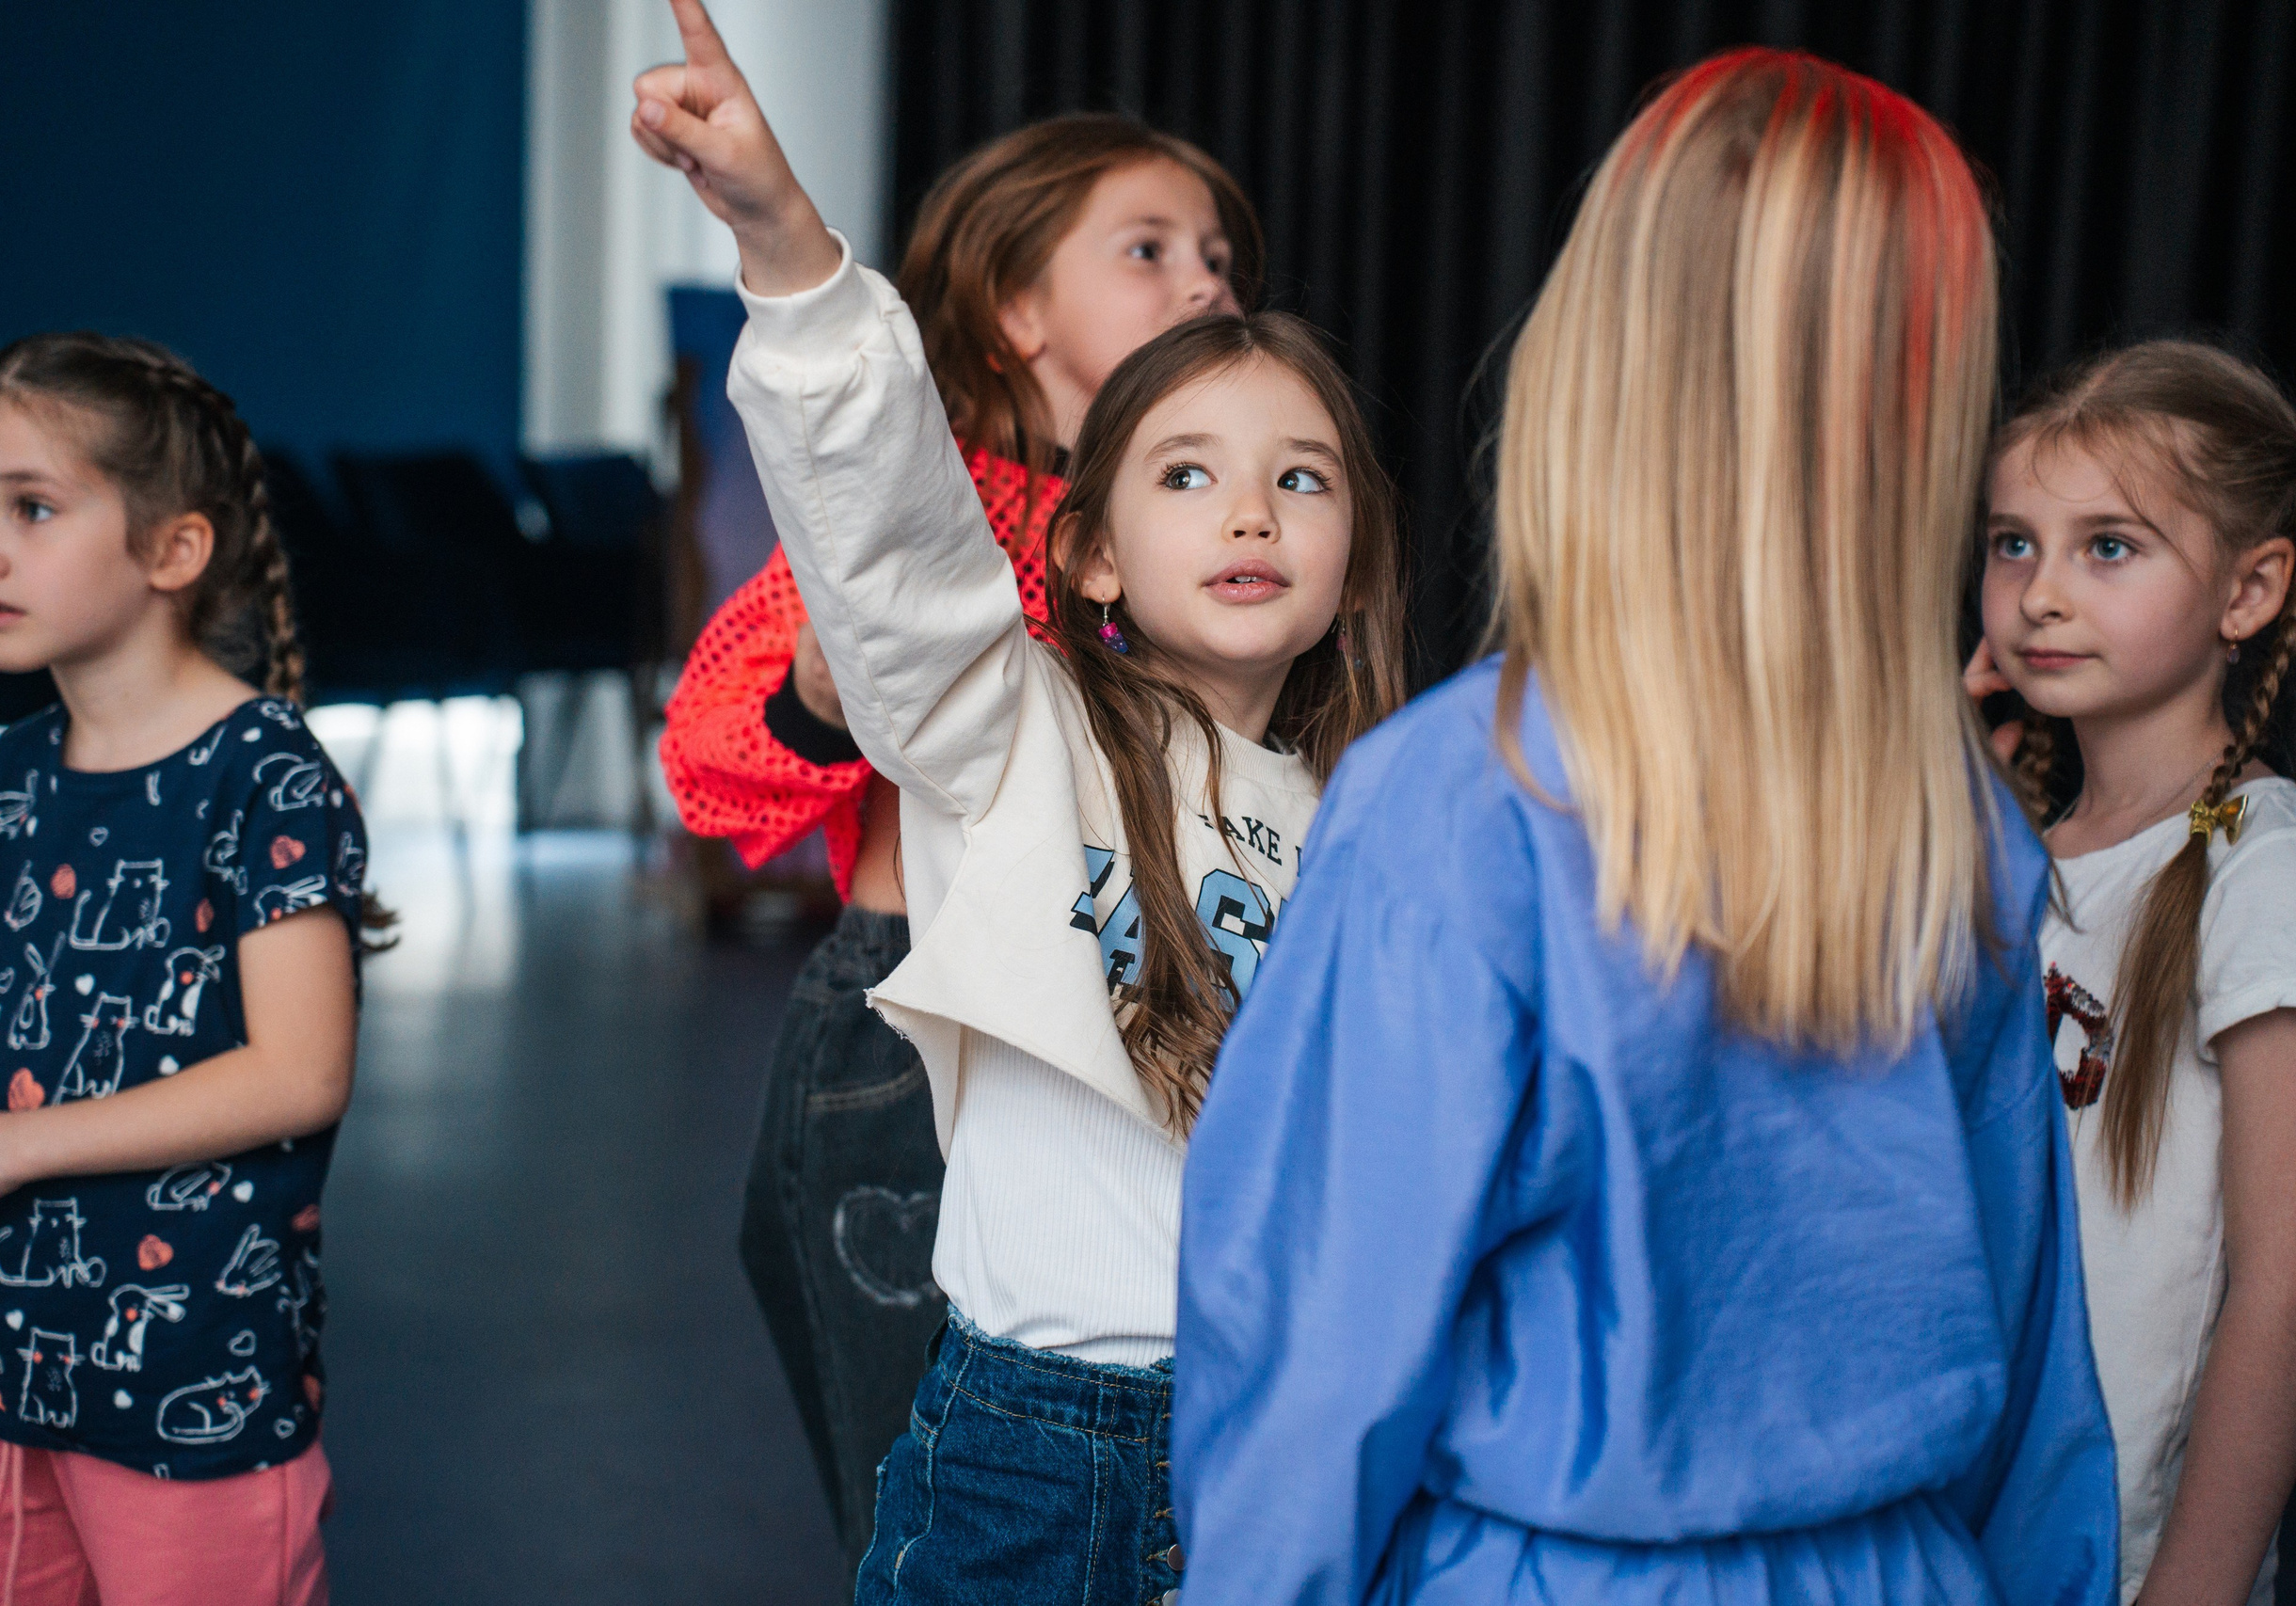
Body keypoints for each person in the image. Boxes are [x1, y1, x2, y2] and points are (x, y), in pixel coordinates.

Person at [1170, 48, 2117, 1605]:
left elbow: (1314, 1390)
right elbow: (2035, 1392)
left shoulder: (1457, 808)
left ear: (1601, 351)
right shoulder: (1957, 819)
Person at [629, 5, 1404, 1598]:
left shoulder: (1384, 813)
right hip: (1027, 1445)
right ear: (1094, 553)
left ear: (1353, 558)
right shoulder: (1014, 715)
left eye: (1299, 477)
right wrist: (783, 243)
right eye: (1185, 473)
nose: (1250, 507)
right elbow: (886, 537)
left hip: (1279, 1444)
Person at [0, 333, 388, 1606]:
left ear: (174, 551)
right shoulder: (14, 778)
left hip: (190, 1392)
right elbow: (64, 1037)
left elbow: (298, 1073)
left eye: (32, 507)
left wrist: (2, 1146)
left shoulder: (262, 771)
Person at [1968, 342, 2296, 1605]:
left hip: (2132, 1560)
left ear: (2249, 588)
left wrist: (2193, 1590)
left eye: (2110, 546)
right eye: (2013, 543)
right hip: (1962, 1538)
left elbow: (2280, 1287)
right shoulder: (2000, 853)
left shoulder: (2250, 868)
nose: (2043, 593)